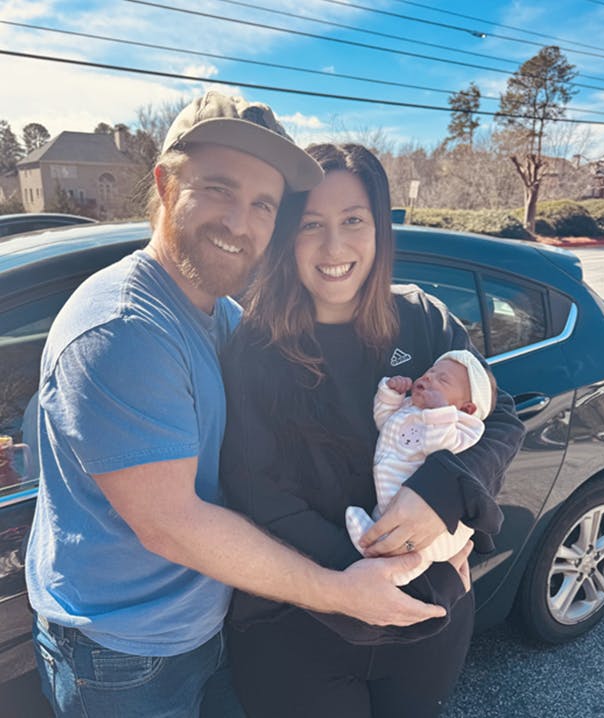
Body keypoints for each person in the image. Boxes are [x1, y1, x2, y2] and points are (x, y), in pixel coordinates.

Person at [26, 91, 447, 718]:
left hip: (210, 623)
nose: (240, 222)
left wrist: (447, 509)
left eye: (263, 205)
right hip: (125, 656)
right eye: (219, 189)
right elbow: (174, 522)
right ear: (166, 186)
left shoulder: (224, 318)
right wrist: (339, 591)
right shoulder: (123, 329)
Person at [218, 142, 523, 718]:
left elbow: (500, 416)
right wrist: (369, 579)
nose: (334, 246)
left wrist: (442, 494)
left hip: (428, 621)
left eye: (353, 220)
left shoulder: (424, 318)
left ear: (380, 227)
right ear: (287, 235)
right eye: (312, 224)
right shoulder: (253, 349)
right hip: (297, 630)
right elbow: (258, 494)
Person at [346, 349, 498, 562]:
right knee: (387, 520)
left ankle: (384, 557)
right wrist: (391, 394)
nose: (428, 377)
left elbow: (439, 449)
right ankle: (376, 543)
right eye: (431, 371)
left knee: (414, 549)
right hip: (390, 488)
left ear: (467, 408)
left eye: (442, 380)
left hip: (422, 507)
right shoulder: (409, 408)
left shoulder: (458, 426)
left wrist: (438, 413)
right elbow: (384, 422)